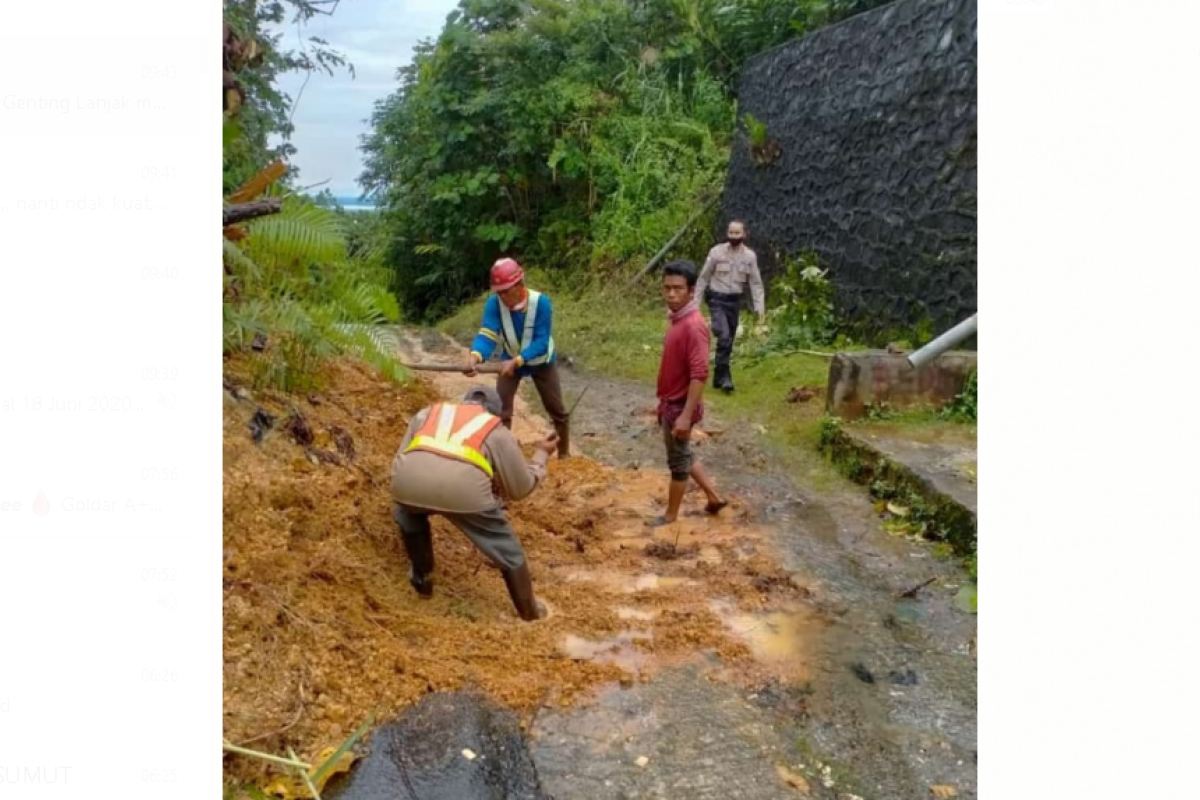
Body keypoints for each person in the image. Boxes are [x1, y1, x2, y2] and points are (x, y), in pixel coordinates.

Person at [390, 385, 559, 621]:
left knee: (409, 512)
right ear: (494, 413)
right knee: (506, 549)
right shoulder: (495, 429)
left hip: (407, 482)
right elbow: (519, 489)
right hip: (463, 492)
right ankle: (530, 613)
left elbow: (403, 455)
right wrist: (541, 455)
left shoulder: (428, 413)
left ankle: (422, 580)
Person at [647, 260, 728, 528]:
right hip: (672, 402)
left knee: (677, 462)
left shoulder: (693, 326)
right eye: (667, 288)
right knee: (683, 452)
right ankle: (714, 496)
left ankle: (670, 515)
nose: (671, 294)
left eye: (678, 289)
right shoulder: (677, 318)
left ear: (691, 291)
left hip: (680, 406)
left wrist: (684, 416)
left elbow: (700, 374)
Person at [464, 258, 571, 458]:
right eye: (499, 292)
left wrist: (518, 361)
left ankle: (564, 454)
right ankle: (502, 456)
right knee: (501, 410)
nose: (503, 296)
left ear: (520, 285)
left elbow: (541, 341)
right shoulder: (494, 304)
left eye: (506, 291)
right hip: (510, 360)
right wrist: (475, 356)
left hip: (541, 362)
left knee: (557, 410)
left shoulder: (541, 303)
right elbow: (488, 333)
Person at [695, 219, 765, 393]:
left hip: (734, 302)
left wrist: (759, 310)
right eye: (731, 233)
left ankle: (719, 376)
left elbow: (756, 284)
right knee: (724, 336)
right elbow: (703, 278)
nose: (734, 236)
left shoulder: (749, 257)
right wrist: (695, 305)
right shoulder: (717, 252)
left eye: (737, 233)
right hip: (716, 300)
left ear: (744, 235)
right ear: (727, 234)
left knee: (729, 341)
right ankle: (726, 377)